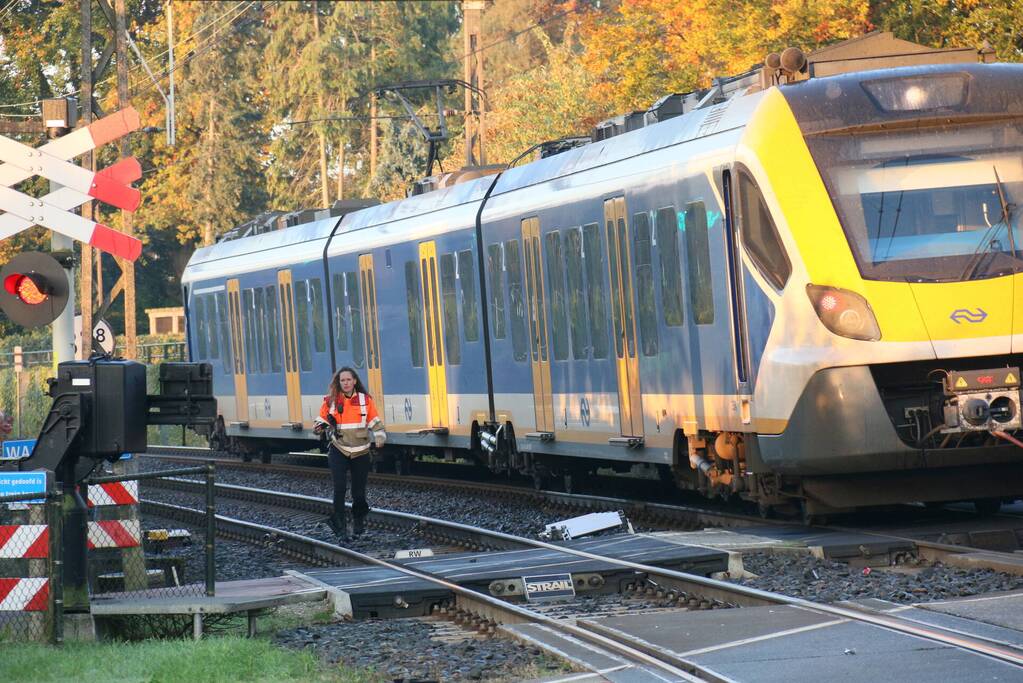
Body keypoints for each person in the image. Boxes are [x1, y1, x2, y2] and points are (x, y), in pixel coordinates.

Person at [314, 367, 386, 540]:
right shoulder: (331, 401)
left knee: (358, 492)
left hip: (361, 452)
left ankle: (358, 523)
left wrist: (380, 436)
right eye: (342, 380)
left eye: (348, 380)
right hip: (339, 449)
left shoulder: (365, 400)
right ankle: (340, 528)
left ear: (354, 381)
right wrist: (318, 428)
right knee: (339, 488)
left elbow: (375, 422)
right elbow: (320, 421)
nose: (345, 383)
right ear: (338, 383)